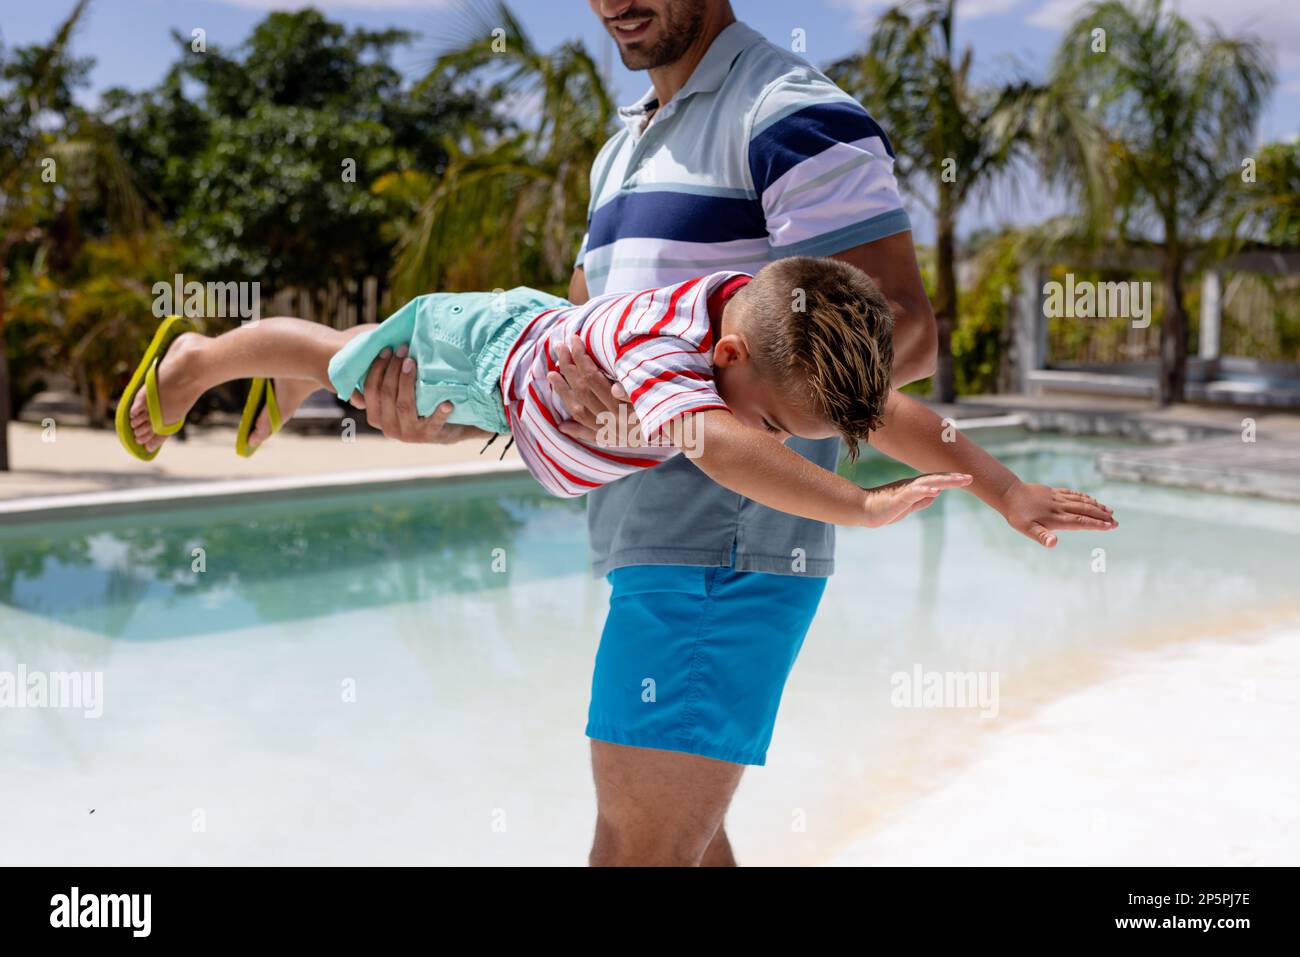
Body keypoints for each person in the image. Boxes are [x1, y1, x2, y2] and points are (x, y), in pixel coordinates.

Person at [271, 2, 1118, 866]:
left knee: (639, 852)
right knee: (682, 845)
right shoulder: (623, 149)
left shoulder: (790, 113)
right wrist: (455, 418)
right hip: (645, 537)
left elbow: (896, 332)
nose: (614, 3)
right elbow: (579, 362)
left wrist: (704, 420)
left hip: (724, 549)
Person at [118, 256, 995, 524]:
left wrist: (1006, 489)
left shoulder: (761, 331)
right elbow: (724, 451)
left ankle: (292, 376)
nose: (766, 432)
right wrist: (861, 507)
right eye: (769, 418)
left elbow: (871, 408)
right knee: (346, 356)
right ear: (725, 355)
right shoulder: (669, 352)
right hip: (483, 364)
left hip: (523, 377)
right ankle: (202, 360)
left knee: (344, 366)